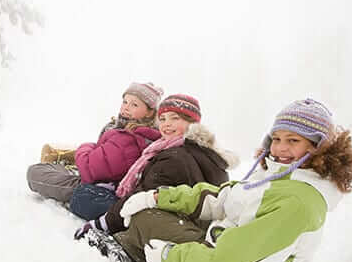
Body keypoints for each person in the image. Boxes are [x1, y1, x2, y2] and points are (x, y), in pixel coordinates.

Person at [116, 98, 352, 262]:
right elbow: (225, 198)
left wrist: (170, 256)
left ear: (318, 146)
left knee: (148, 219)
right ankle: (142, 239)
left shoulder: (297, 200)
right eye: (277, 139)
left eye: (293, 141)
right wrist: (160, 197)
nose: (280, 148)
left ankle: (131, 247)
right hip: (228, 255)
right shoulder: (278, 175)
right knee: (162, 210)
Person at [74, 94, 238, 240]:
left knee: (83, 196)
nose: (167, 124)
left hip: (169, 221)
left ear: (192, 123)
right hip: (185, 216)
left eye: (175, 118)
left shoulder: (175, 155)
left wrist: (103, 223)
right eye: (163, 119)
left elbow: (142, 195)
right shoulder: (200, 150)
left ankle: (127, 241)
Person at [26, 82, 163, 210]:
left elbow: (89, 171)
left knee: (35, 173)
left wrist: (86, 147)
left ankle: (67, 165)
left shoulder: (130, 138)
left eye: (134, 105)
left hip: (98, 187)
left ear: (150, 112)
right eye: (125, 102)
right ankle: (67, 164)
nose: (126, 107)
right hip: (104, 176)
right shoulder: (138, 132)